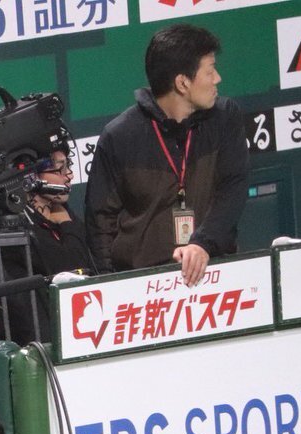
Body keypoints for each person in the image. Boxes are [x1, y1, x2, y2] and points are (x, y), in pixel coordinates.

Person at [84, 24, 249, 285]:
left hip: (213, 275)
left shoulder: (225, 117)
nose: (217, 78)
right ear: (183, 83)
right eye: (210, 71)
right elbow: (100, 220)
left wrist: (202, 243)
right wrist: (108, 284)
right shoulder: (120, 136)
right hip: (143, 285)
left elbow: (233, 188)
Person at [0, 147, 97, 343]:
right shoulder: (17, 225)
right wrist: (67, 225)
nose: (69, 175)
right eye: (60, 169)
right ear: (31, 177)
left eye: (68, 166)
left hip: (77, 324)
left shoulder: (61, 210)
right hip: (42, 338)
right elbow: (70, 268)